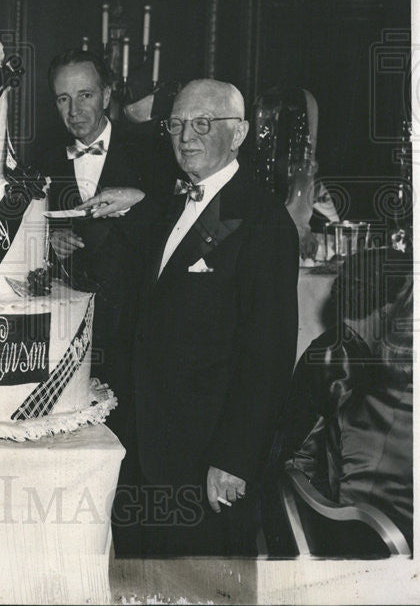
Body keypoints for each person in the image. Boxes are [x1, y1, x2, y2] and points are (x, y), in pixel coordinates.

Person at [116, 78, 299, 556]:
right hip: (149, 448)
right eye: (176, 124)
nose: (186, 137)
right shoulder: (175, 200)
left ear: (237, 134)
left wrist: (234, 460)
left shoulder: (264, 221)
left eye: (202, 123)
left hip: (205, 461)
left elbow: (270, 355)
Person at [37, 50, 161, 410]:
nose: (74, 111)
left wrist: (137, 199)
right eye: (63, 98)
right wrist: (47, 242)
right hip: (67, 329)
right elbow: (20, 230)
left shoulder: (152, 152)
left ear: (107, 95)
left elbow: (173, 223)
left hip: (135, 326)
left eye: (85, 95)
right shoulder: (41, 159)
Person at [268, 248, 413, 552]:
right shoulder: (341, 367)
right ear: (388, 309)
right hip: (333, 524)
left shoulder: (337, 347)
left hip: (313, 510)